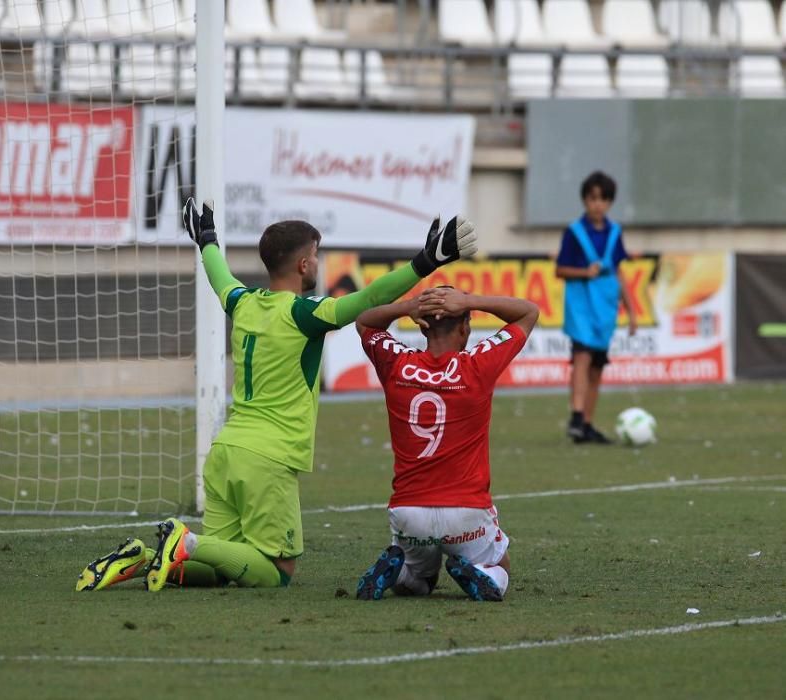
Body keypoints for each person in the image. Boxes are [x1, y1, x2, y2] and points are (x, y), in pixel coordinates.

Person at [75, 200, 479, 592]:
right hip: (268, 459)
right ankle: (185, 541)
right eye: (316, 256)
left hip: (226, 451)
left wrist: (208, 241)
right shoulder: (305, 315)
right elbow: (369, 300)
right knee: (278, 571)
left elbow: (220, 278)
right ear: (304, 264)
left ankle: (144, 556)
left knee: (220, 565)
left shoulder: (244, 302)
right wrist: (426, 262)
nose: (318, 265)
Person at [354, 286, 538, 601]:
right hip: (466, 512)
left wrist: (406, 306)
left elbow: (365, 323)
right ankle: (482, 574)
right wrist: (472, 300)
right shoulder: (477, 365)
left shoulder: (397, 364)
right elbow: (528, 312)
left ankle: (399, 572)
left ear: (421, 324)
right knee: (500, 564)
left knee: (419, 581)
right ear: (465, 327)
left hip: (410, 512)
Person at [555, 171, 637, 444]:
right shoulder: (574, 233)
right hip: (581, 306)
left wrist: (632, 311)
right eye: (592, 199)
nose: (597, 205)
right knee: (582, 356)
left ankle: (586, 424)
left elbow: (619, 272)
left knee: (597, 367)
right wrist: (583, 272)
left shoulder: (615, 232)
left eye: (603, 199)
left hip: (605, 308)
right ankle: (576, 415)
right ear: (584, 200)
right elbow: (560, 269)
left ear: (610, 202)